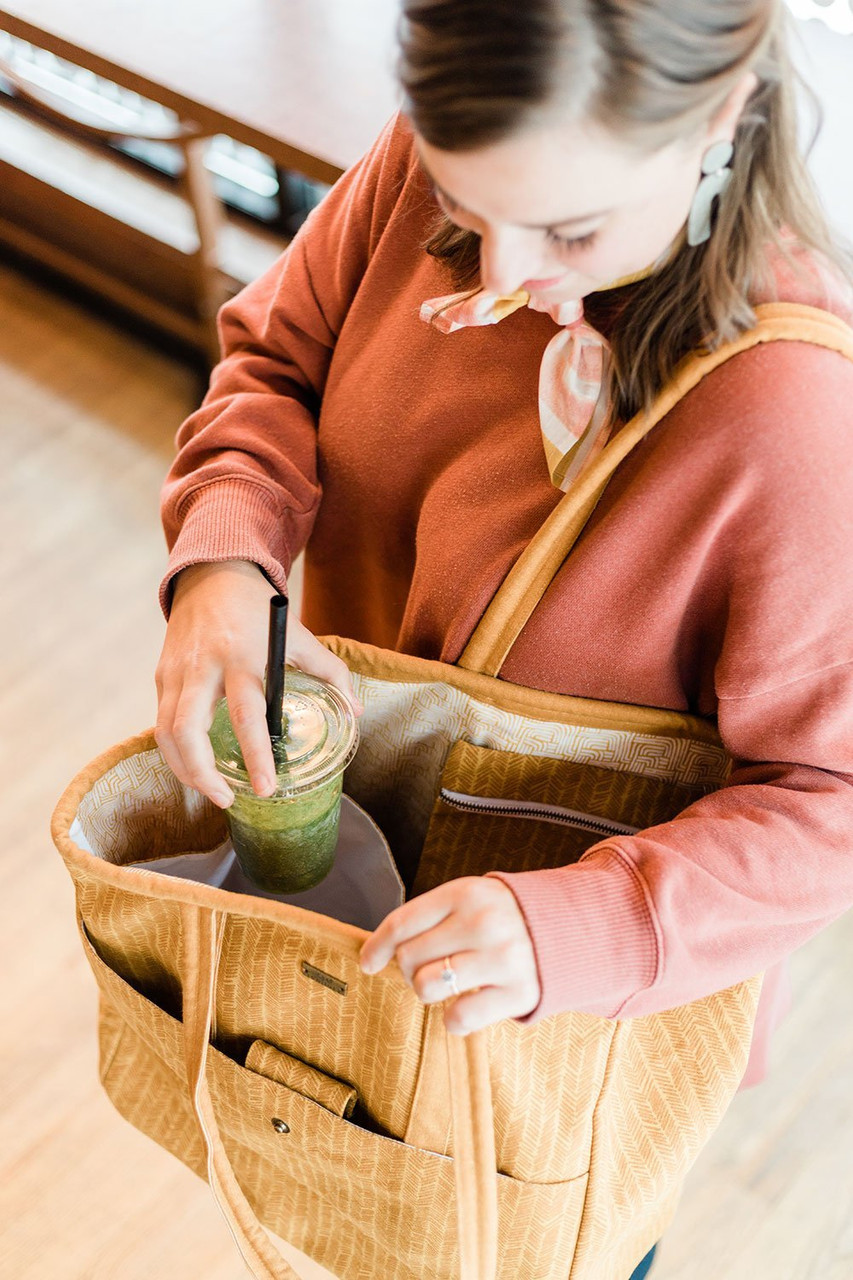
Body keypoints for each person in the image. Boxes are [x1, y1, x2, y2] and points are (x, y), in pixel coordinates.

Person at [154, 2, 853, 1275]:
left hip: (565, 1029)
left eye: (571, 228)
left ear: (720, 112)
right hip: (358, 911)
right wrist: (224, 553)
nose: (501, 276)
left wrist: (572, 931)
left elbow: (827, 798)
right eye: (471, 215)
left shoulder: (797, 415)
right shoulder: (444, 160)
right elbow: (273, 362)